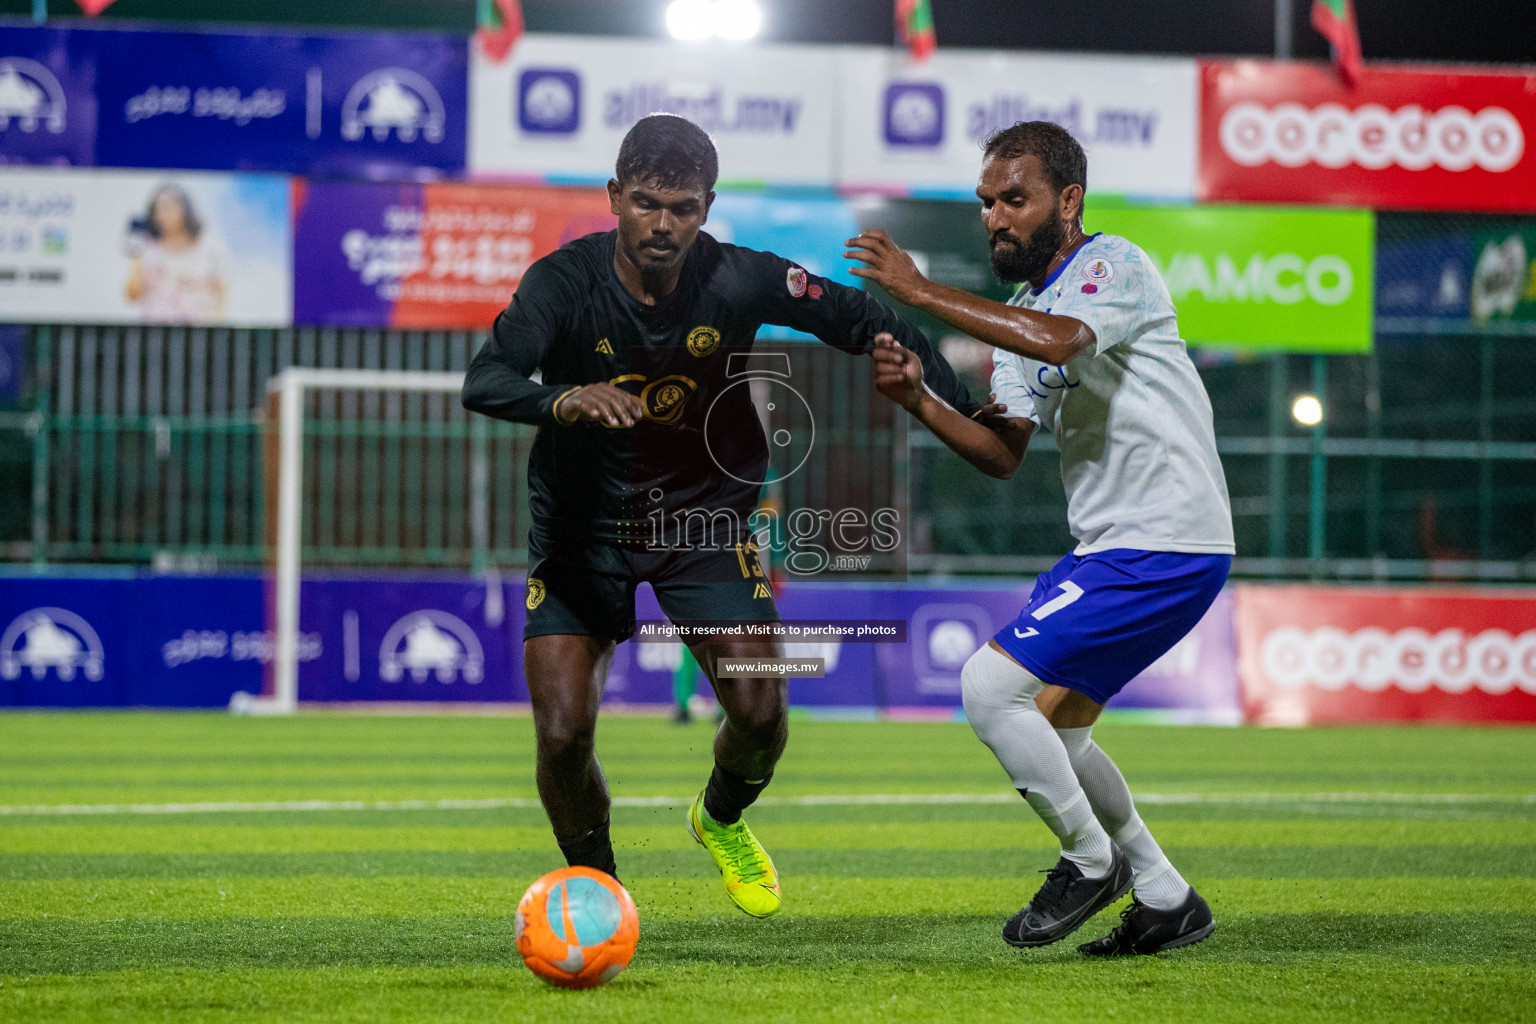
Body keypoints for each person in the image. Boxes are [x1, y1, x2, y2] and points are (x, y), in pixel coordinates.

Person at [461, 114, 979, 918]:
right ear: (613, 198)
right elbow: (486, 379)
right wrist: (562, 398)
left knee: (762, 714)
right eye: (644, 204)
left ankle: (721, 818)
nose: (662, 224)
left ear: (707, 205)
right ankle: (603, 893)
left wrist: (953, 392)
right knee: (563, 736)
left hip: (702, 530)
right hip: (580, 530)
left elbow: (861, 317)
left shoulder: (740, 278)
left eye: (683, 207)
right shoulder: (560, 283)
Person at [848, 120, 1233, 955]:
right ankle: (1166, 895)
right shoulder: (1014, 320)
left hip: (1166, 535)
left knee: (990, 688)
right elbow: (1003, 454)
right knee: (1056, 730)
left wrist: (917, 293)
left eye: (1014, 199)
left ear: (1069, 200)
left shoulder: (1114, 265)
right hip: (1116, 545)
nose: (995, 217)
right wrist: (921, 401)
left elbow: (1065, 339)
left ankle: (1089, 862)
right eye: (987, 202)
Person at [125, 184, 226, 324]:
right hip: (155, 333)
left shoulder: (208, 249)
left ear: (185, 210)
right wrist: (135, 257)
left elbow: (221, 293)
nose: (162, 214)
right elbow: (133, 295)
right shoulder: (148, 249)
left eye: (168, 207)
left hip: (198, 332)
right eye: (157, 209)